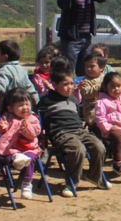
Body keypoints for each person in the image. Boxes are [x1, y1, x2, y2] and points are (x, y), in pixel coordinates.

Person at [38, 61, 108, 196]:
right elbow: (40, 120)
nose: (70, 87)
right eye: (65, 84)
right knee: (78, 149)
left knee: (99, 146)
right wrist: (43, 138)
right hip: (61, 133)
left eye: (71, 83)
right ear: (54, 85)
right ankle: (72, 183)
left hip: (79, 130)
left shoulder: (73, 99)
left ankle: (93, 176)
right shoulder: (47, 101)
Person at [56, 0, 106, 75]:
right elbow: (62, 3)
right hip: (71, 37)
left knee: (85, 71)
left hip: (86, 36)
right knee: (68, 70)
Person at [0, 88, 43, 200]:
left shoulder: (32, 118)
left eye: (27, 104)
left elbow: (35, 133)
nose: (25, 108)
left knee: (30, 159)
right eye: (20, 105)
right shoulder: (7, 117)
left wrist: (26, 128)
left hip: (29, 148)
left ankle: (26, 184)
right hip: (11, 148)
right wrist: (1, 127)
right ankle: (17, 157)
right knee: (6, 157)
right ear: (10, 108)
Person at [0, 39, 38, 105]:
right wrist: (36, 102)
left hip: (9, 106)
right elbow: (29, 88)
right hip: (22, 104)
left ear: (5, 57)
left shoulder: (4, 70)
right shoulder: (22, 69)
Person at [78, 53, 106, 128]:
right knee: (96, 117)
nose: (88, 69)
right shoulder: (85, 81)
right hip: (92, 108)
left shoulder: (105, 78)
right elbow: (86, 94)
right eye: (86, 66)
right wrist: (100, 87)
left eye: (92, 66)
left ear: (101, 68)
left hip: (107, 105)